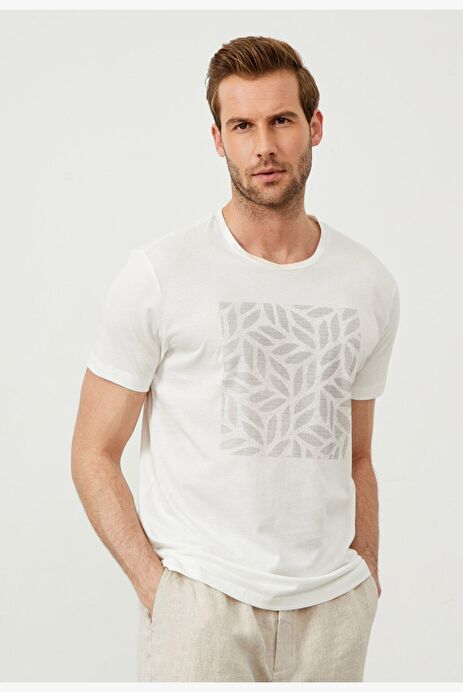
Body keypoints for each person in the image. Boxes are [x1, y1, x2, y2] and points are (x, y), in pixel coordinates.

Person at [71, 35, 400, 683]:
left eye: (281, 120)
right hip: (203, 606)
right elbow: (93, 451)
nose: (264, 146)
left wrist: (366, 572)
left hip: (331, 610)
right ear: (218, 139)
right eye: (242, 126)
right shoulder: (160, 274)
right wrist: (160, 590)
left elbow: (358, 454)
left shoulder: (368, 283)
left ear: (314, 127)